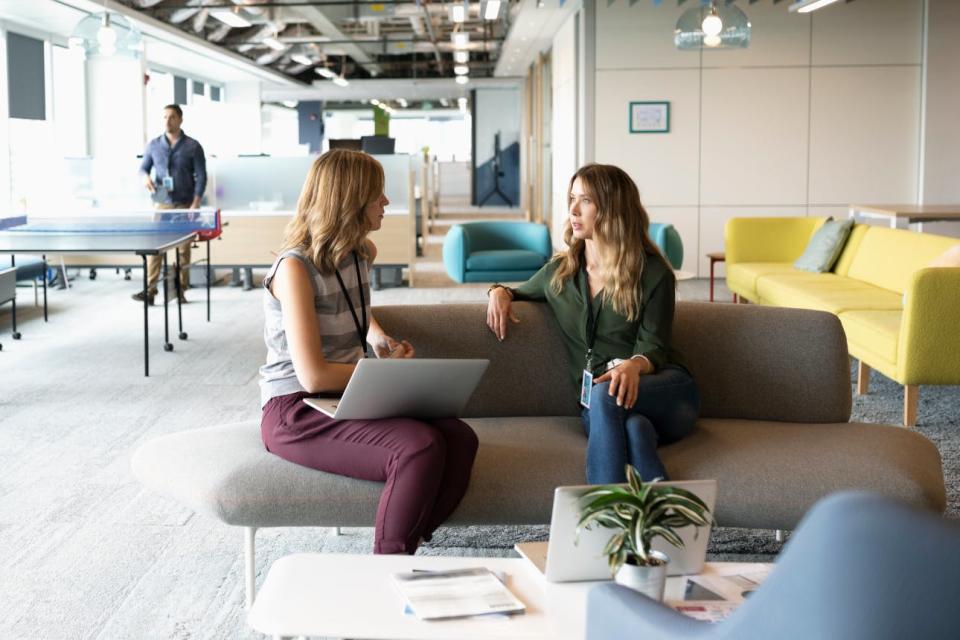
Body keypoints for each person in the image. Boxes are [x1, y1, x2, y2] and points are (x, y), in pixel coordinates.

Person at [259, 149, 478, 554]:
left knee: (460, 438)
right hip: (295, 408)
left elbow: (351, 306)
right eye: (378, 194)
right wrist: (390, 377)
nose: (387, 202)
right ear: (349, 200)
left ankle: (406, 538)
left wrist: (376, 335)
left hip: (346, 396)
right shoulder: (294, 269)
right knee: (420, 444)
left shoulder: (362, 254)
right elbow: (313, 376)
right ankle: (389, 561)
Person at [486, 163, 698, 484]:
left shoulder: (653, 274)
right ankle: (665, 525)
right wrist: (498, 292)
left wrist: (633, 365)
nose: (573, 209)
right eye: (572, 198)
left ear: (612, 208)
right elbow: (515, 290)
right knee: (635, 429)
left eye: (585, 200)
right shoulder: (560, 273)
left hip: (662, 393)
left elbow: (653, 348)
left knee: (605, 395)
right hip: (598, 405)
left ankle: (601, 514)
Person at [135, 103, 207, 304]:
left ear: (180, 119)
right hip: (162, 204)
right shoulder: (154, 145)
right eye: (164, 117)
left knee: (183, 249)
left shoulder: (193, 146)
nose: (167, 120)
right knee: (155, 247)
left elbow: (201, 176)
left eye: (172, 117)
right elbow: (142, 169)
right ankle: (150, 290)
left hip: (185, 204)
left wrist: (196, 202)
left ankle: (181, 289)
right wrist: (145, 179)